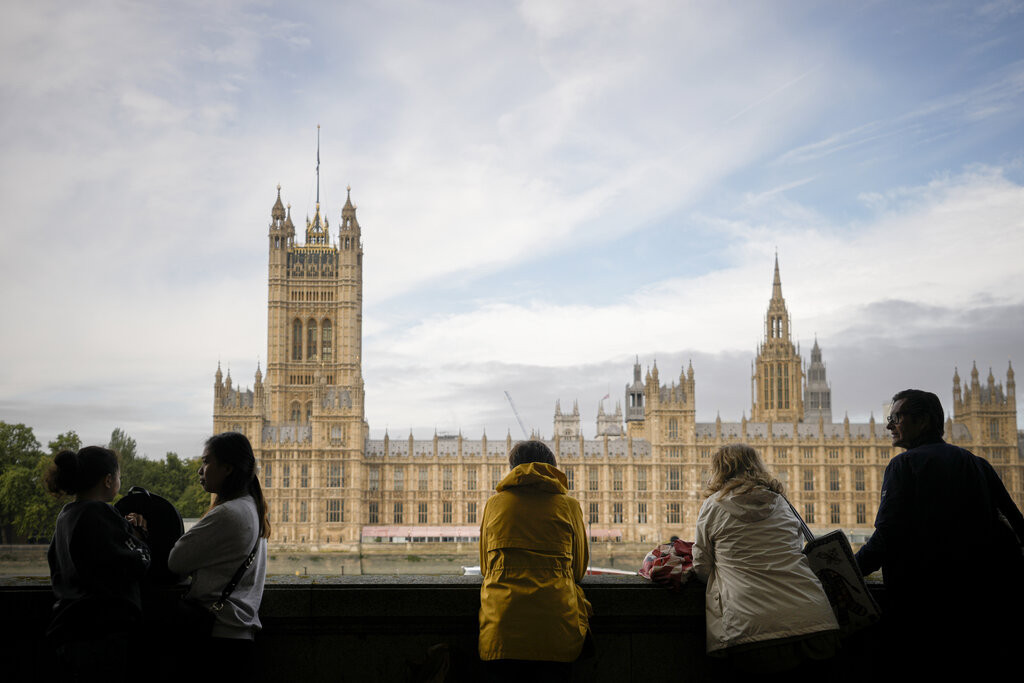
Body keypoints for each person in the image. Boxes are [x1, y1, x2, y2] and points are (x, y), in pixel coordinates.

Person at [855, 389, 1024, 676]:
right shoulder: (976, 462)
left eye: (896, 417)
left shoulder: (903, 465)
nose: (889, 425)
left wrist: (848, 571)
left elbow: (887, 536)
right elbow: (1017, 525)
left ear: (923, 421)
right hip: (978, 605)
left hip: (921, 607)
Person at [692, 444, 839, 680]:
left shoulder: (713, 506)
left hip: (754, 630)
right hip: (816, 620)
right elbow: (795, 548)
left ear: (719, 470)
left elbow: (701, 567)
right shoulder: (782, 503)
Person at [478, 440, 592, 682]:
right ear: (552, 468)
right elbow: (579, 570)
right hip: (556, 630)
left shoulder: (494, 504)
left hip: (501, 630)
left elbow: (485, 568)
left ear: (513, 468)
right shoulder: (569, 506)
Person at [44, 446, 151, 681]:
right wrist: (139, 536)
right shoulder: (100, 513)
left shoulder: (67, 514)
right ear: (108, 480)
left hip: (68, 628)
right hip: (102, 633)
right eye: (119, 476)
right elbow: (138, 563)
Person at [167, 432, 270, 678]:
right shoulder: (251, 507)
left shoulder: (228, 514)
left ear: (226, 468)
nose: (200, 470)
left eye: (206, 462)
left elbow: (175, 561)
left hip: (217, 635)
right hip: (237, 635)